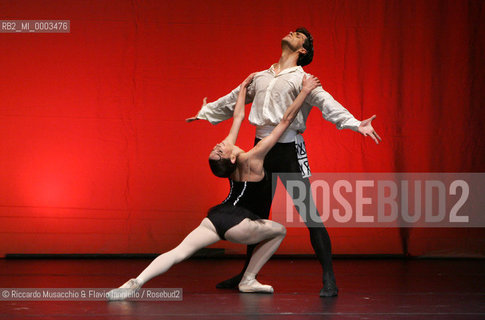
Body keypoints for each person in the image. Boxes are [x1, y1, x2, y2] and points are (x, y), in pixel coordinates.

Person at [186, 27, 381, 297]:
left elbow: (327, 103)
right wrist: (207, 112)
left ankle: (329, 277)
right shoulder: (260, 76)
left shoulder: (303, 79)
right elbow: (234, 98)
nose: (292, 33)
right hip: (260, 149)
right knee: (254, 216)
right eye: (293, 32)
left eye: (299, 36)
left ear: (303, 51)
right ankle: (247, 275)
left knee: (310, 214)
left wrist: (356, 123)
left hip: (289, 151)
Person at [106, 72, 322, 301]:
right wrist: (305, 91)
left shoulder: (231, 154)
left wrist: (242, 91)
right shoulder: (253, 158)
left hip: (216, 218)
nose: (220, 144)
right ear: (229, 159)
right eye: (219, 150)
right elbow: (285, 121)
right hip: (240, 223)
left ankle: (135, 283)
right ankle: (248, 279)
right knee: (280, 230)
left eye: (215, 147)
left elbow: (238, 117)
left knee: (179, 252)